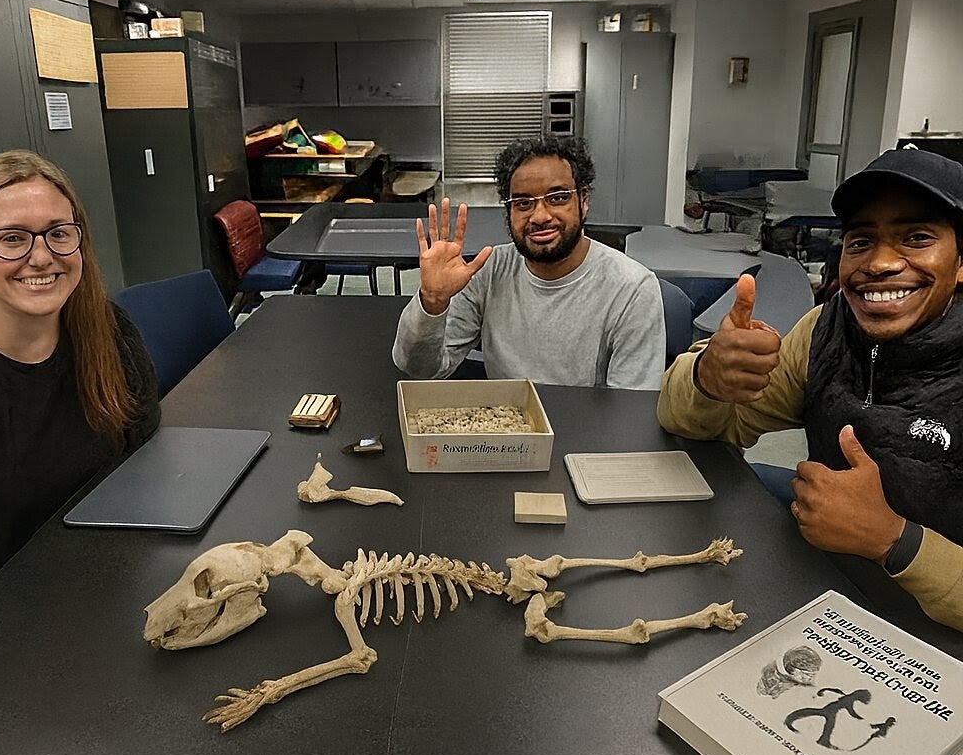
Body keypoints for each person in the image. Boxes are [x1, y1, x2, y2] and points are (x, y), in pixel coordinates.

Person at [658, 148, 963, 633]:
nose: (880, 263)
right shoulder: (826, 328)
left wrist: (895, 541)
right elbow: (713, 425)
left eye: (916, 238)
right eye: (861, 241)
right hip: (825, 583)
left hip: (932, 630)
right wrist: (708, 379)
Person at [0, 150, 160, 627]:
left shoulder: (109, 331)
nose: (41, 257)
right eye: (11, 238)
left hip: (114, 585)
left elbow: (144, 457)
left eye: (59, 233)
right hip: (7, 621)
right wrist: (50, 629)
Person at [392, 135, 666, 388]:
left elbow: (630, 407)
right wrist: (433, 301)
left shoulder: (632, 288)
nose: (540, 216)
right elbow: (422, 370)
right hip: (503, 422)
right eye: (523, 203)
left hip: (588, 426)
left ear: (583, 201)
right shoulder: (489, 272)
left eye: (557, 198)